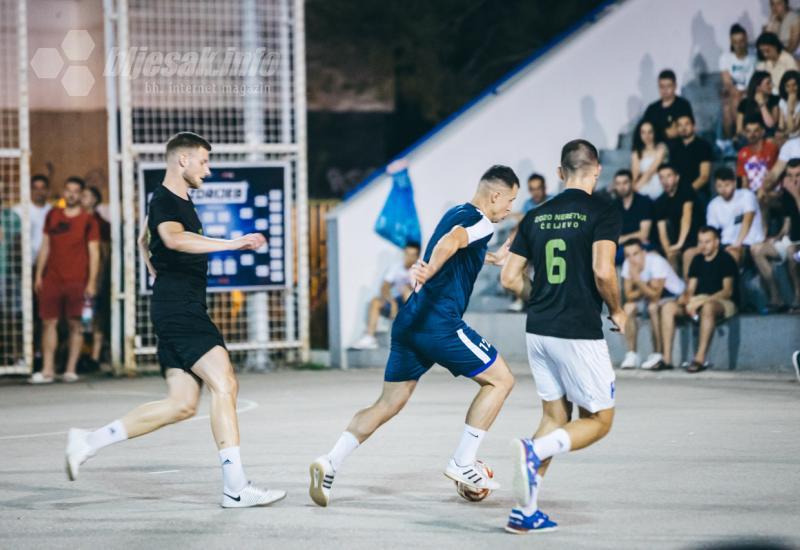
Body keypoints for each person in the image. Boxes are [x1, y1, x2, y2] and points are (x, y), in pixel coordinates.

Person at [64, 132, 286, 508]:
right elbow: (173, 239)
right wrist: (232, 243)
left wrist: (156, 271)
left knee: (182, 404)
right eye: (204, 161)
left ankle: (88, 441)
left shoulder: (173, 200)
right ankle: (235, 487)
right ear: (182, 160)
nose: (208, 169)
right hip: (181, 308)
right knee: (225, 382)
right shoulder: (166, 200)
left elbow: (142, 240)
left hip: (173, 304)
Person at [308, 165, 519, 507]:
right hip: (439, 323)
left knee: (388, 403)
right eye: (510, 200)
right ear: (495, 195)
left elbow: (460, 246)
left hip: (411, 320)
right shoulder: (479, 221)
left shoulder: (457, 213)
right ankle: (463, 462)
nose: (509, 208)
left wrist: (494, 257)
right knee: (501, 381)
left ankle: (329, 461)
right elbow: (452, 243)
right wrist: (431, 268)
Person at [499, 139, 623, 534]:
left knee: (555, 416)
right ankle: (532, 451)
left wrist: (541, 299)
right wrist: (617, 310)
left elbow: (508, 277)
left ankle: (525, 511)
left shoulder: (535, 216)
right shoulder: (602, 211)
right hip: (577, 332)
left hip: (539, 329)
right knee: (599, 420)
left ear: (559, 172)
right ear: (597, 169)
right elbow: (604, 272)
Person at [31, 177, 100, 384]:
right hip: (52, 278)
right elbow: (45, 246)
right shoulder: (53, 215)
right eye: (68, 190)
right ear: (63, 192)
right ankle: (48, 370)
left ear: (80, 194)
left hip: (77, 279)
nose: (71, 194)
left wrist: (92, 282)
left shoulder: (89, 220)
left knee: (75, 325)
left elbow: (94, 253)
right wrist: (39, 275)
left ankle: (70, 370)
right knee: (48, 323)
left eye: (75, 191)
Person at [660, 226, 739, 372]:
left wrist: (701, 302)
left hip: (722, 302)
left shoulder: (726, 259)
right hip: (699, 300)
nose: (703, 245)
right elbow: (691, 288)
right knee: (668, 307)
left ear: (716, 242)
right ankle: (666, 359)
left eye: (707, 241)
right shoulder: (697, 260)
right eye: (700, 242)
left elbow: (727, 291)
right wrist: (686, 299)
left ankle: (699, 359)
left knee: (708, 307)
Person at [619, 239, 685, 370]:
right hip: (651, 298)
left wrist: (637, 280)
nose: (632, 259)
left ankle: (657, 353)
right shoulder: (628, 264)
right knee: (628, 307)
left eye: (635, 253)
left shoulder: (656, 262)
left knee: (653, 307)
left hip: (675, 297)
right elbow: (628, 295)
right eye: (628, 255)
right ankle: (632, 354)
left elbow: (655, 296)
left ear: (644, 252)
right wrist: (646, 286)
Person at [350, 241, 421, 350]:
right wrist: (391, 302)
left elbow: (420, 293)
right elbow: (384, 287)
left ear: (417, 256)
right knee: (375, 302)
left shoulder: (420, 270)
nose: (409, 257)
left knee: (406, 290)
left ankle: (412, 334)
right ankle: (370, 338)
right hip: (396, 303)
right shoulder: (396, 267)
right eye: (407, 254)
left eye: (412, 255)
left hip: (413, 304)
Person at [752, 159, 800, 311]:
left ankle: (798, 298)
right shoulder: (787, 193)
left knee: (793, 253)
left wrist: (796, 195)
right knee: (757, 249)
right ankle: (776, 297)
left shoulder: (793, 191)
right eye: (790, 175)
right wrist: (778, 237)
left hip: (797, 248)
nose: (794, 180)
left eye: (798, 175)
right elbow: (788, 221)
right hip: (792, 239)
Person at [706, 167, 765, 265]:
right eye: (719, 186)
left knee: (732, 254)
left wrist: (737, 244)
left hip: (749, 243)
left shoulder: (747, 195)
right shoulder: (713, 205)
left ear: (734, 183)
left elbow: (747, 221)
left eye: (727, 185)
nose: (723, 189)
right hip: (725, 244)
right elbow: (712, 231)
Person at [80, 186, 111, 370]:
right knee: (81, 317)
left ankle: (95, 355)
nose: (82, 199)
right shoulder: (78, 220)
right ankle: (83, 353)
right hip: (79, 274)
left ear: (94, 200)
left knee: (97, 315)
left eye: (86, 195)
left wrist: (99, 278)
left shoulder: (100, 224)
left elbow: (104, 254)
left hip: (95, 276)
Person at [653, 163, 703, 277]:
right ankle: (678, 291)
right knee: (671, 256)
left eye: (669, 176)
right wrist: (668, 249)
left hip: (696, 238)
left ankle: (688, 290)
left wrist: (680, 243)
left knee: (688, 254)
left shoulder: (687, 192)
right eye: (661, 177)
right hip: (677, 242)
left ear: (677, 177)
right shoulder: (660, 202)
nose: (665, 180)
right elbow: (662, 230)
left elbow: (686, 217)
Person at [720, 24, 757, 139]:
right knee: (727, 108)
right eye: (735, 42)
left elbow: (754, 81)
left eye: (741, 41)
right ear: (731, 42)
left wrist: (745, 92)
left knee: (736, 102)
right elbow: (727, 82)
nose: (739, 45)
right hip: (734, 92)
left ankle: (738, 135)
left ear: (746, 40)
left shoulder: (754, 57)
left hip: (750, 91)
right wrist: (734, 91)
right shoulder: (725, 58)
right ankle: (731, 140)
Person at [669, 113, 713, 202]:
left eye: (687, 124)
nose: (683, 128)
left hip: (697, 192)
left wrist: (687, 193)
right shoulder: (674, 147)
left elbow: (704, 177)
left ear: (694, 126)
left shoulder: (703, 146)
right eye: (680, 125)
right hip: (677, 192)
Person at [613, 169, 653, 263]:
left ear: (632, 183)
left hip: (642, 245)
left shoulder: (644, 202)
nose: (621, 187)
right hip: (622, 247)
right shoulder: (614, 205)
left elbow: (644, 234)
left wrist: (622, 239)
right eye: (618, 184)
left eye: (625, 183)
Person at [642, 69, 694, 140]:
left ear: (675, 86)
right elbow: (644, 131)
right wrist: (665, 133)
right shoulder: (652, 109)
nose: (665, 90)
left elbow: (687, 129)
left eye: (668, 86)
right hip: (655, 148)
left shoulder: (683, 106)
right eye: (662, 86)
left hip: (679, 148)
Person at [737, 115, 780, 192]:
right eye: (748, 131)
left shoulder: (772, 148)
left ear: (762, 132)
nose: (752, 134)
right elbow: (744, 182)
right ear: (744, 133)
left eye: (756, 131)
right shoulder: (742, 153)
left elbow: (775, 177)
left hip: (772, 192)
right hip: (752, 195)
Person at [631, 119, 669, 199]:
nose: (646, 136)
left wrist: (635, 188)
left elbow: (651, 171)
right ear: (639, 134)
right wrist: (632, 187)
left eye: (650, 132)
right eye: (643, 132)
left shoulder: (661, 147)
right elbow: (635, 173)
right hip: (642, 182)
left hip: (658, 182)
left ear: (654, 133)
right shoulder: (637, 152)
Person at [737, 71, 780, 137]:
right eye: (768, 83)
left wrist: (761, 103)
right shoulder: (744, 103)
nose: (772, 85)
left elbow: (771, 125)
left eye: (771, 82)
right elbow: (739, 130)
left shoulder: (775, 99)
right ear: (758, 87)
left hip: (768, 136)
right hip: (749, 137)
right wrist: (752, 135)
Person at [778, 70, 800, 140]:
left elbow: (793, 128)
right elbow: (781, 125)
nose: (791, 89)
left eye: (794, 85)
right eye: (788, 86)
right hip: (787, 137)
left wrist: (790, 104)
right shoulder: (782, 102)